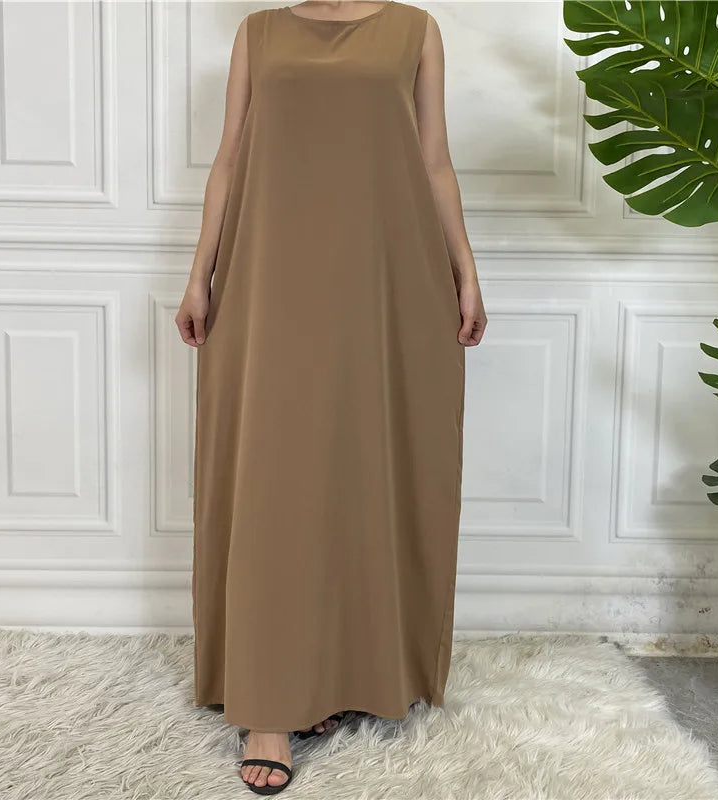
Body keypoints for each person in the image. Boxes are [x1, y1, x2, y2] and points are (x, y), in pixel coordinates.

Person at [175, 1, 486, 794]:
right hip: (270, 276)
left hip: (383, 277)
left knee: (357, 472)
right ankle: (268, 705)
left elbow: (435, 161)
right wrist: (199, 275)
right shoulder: (259, 33)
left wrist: (466, 269)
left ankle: (342, 672)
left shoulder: (415, 30)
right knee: (274, 480)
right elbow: (228, 160)